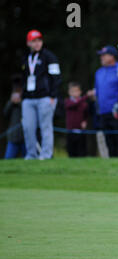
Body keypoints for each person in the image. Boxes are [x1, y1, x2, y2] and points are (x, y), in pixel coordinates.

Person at [21, 29, 61, 160]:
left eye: (39, 40)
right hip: (28, 99)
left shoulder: (49, 57)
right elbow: (23, 78)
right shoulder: (25, 58)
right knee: (28, 128)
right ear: (28, 43)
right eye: (34, 41)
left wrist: (53, 96)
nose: (37, 43)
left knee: (46, 127)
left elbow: (56, 77)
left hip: (45, 97)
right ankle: (31, 154)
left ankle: (46, 154)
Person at [89, 45, 118, 157]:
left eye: (104, 55)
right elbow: (98, 90)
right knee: (109, 142)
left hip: (116, 112)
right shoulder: (99, 72)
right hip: (102, 112)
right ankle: (112, 167)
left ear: (112, 56)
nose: (101, 57)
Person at [4, 76, 26, 159]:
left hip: (24, 137)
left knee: (28, 158)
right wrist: (11, 102)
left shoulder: (26, 102)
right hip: (13, 136)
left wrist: (20, 103)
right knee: (8, 159)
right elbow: (5, 113)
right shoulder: (11, 103)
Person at [64, 82, 88, 158]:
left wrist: (85, 121)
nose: (75, 93)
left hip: (80, 130)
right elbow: (74, 104)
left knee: (81, 149)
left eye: (76, 91)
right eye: (72, 91)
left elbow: (86, 114)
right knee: (71, 149)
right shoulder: (67, 101)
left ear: (80, 92)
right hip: (70, 130)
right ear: (69, 92)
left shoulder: (84, 103)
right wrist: (86, 96)